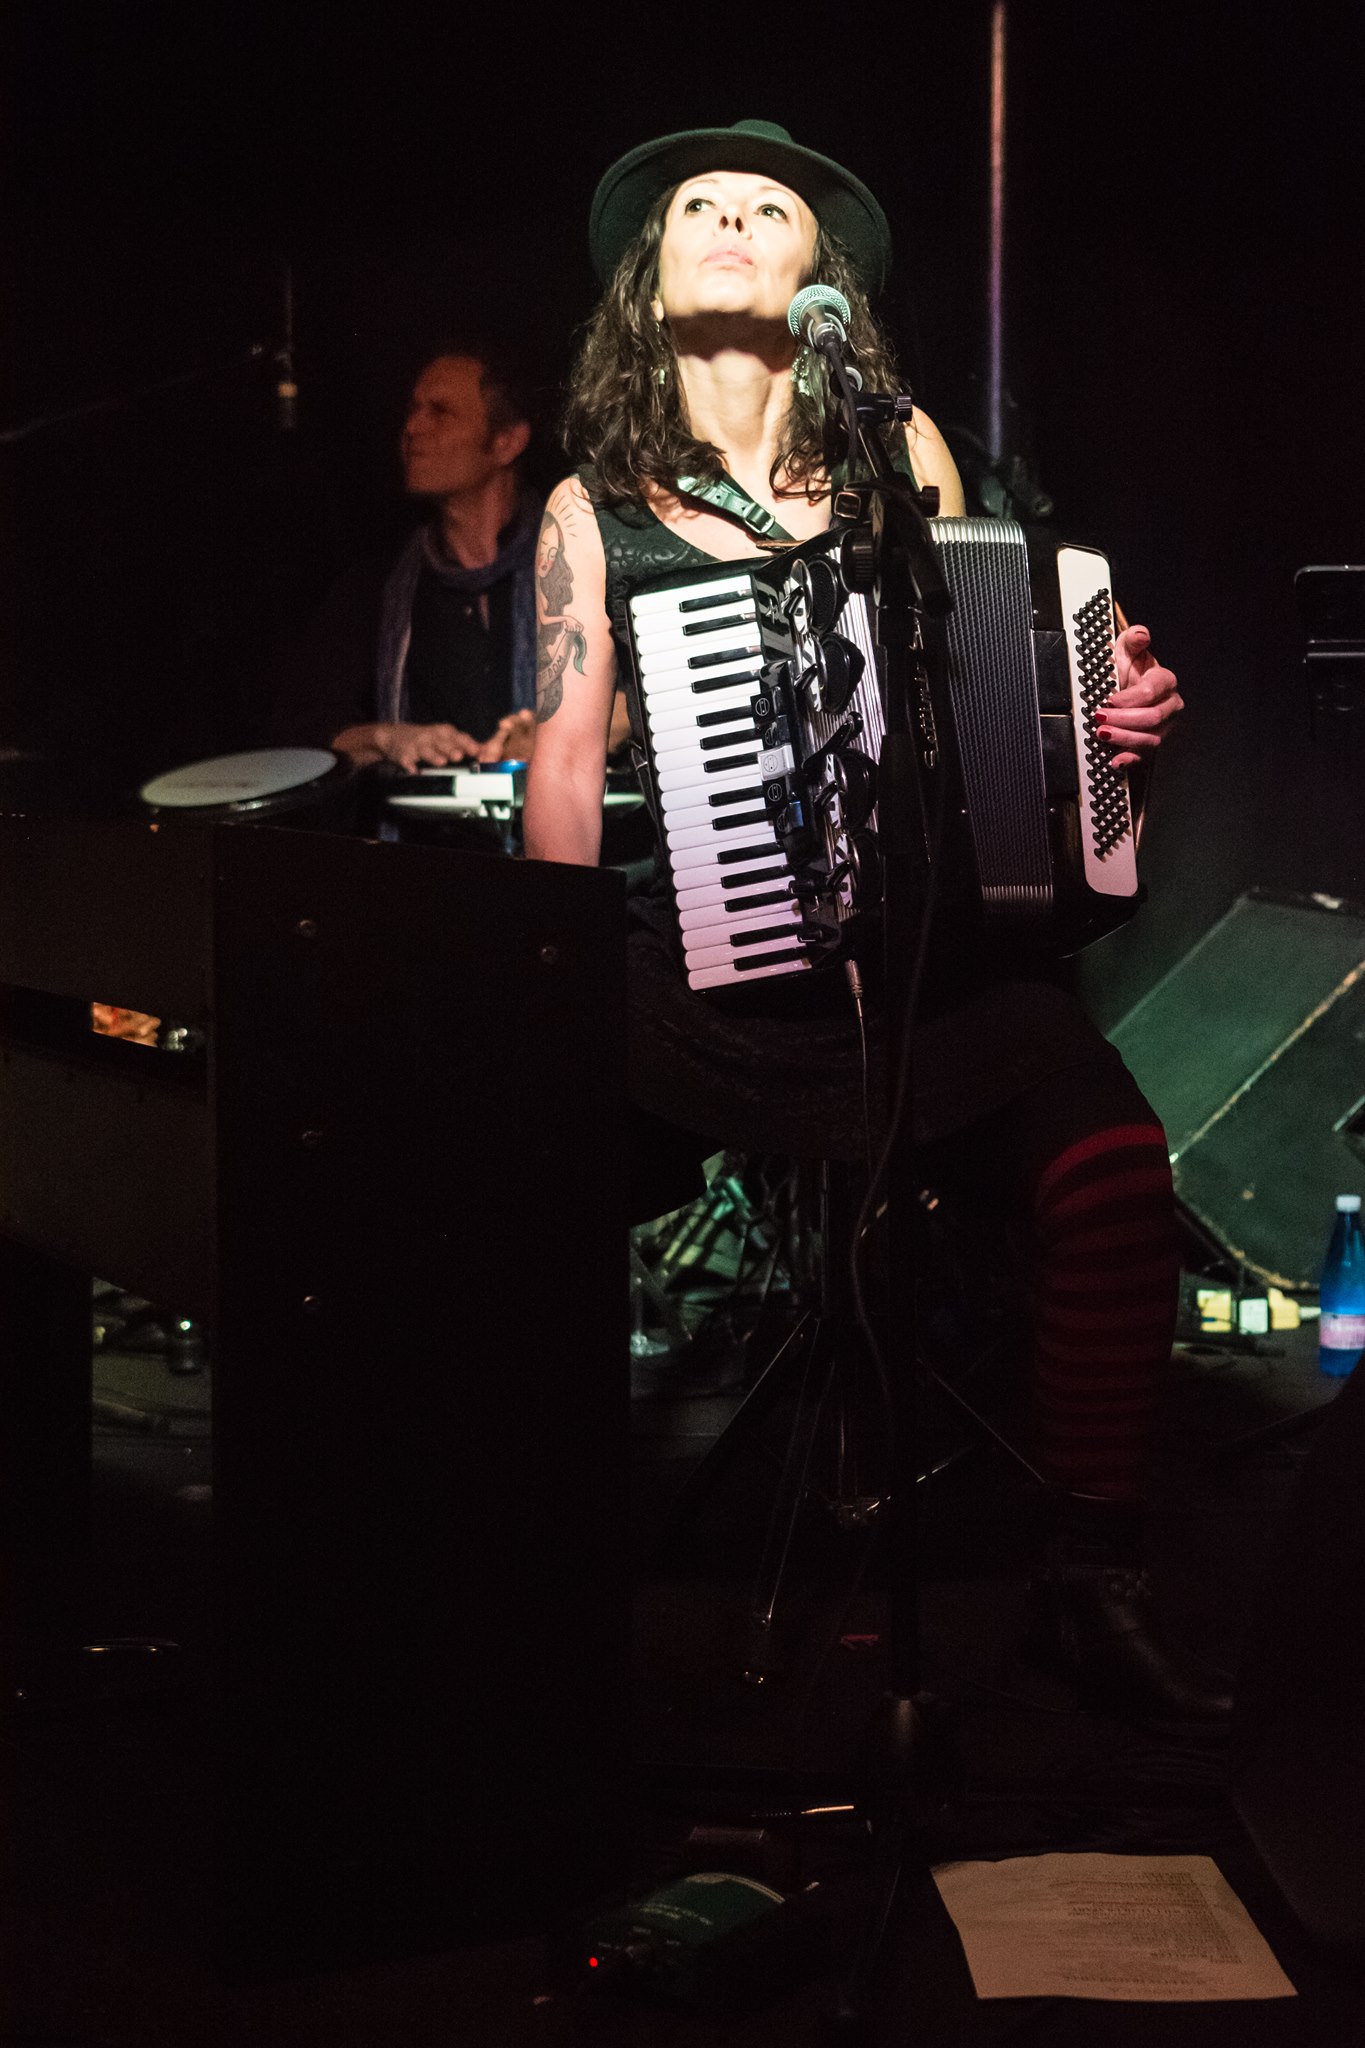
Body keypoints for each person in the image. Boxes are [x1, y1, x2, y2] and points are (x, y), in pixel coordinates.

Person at [522, 119, 1226, 1727]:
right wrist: (543, 997)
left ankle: (1088, 1579)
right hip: (693, 982)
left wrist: (1108, 711)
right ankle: (528, 1570)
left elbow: (998, 673)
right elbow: (562, 769)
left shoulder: (904, 464)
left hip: (922, 971)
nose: (726, 220)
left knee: (1112, 1171)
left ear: (818, 279)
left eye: (766, 209)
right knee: (514, 1181)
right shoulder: (590, 508)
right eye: (696, 207)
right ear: (646, 283)